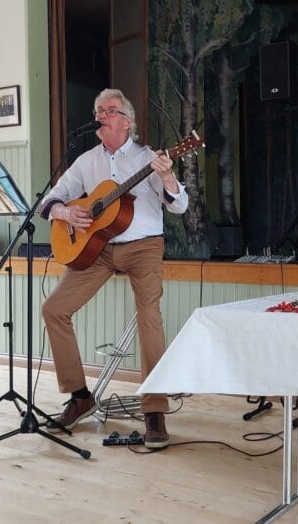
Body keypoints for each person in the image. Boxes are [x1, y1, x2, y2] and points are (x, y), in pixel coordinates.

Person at [39, 88, 188, 448]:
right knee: (53, 308)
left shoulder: (149, 158)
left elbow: (179, 205)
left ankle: (154, 409)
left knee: (149, 316)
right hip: (98, 249)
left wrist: (168, 178)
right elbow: (50, 200)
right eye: (98, 110)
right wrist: (65, 212)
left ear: (127, 121)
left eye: (110, 110)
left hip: (144, 247)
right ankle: (79, 396)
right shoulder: (86, 161)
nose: (102, 115)